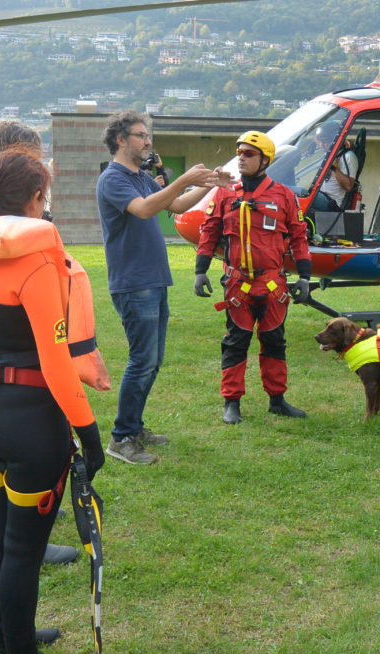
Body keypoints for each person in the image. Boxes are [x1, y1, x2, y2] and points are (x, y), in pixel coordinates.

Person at [0, 147, 104, 654]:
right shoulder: (37, 262)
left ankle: (7, 637)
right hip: (33, 419)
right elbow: (57, 362)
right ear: (36, 198)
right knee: (20, 548)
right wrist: (88, 430)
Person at [0, 121, 80, 567]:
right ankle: (14, 530)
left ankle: (21, 509)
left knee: (7, 445)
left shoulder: (16, 206)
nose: (40, 165)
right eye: (31, 157)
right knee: (9, 441)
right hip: (6, 355)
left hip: (5, 363)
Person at [97, 111, 222, 464]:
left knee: (152, 362)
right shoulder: (113, 179)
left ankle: (133, 427)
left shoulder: (140, 176)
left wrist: (212, 182)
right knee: (142, 361)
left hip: (153, 280)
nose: (147, 141)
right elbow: (144, 210)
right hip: (133, 284)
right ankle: (121, 439)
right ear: (121, 140)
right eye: (139, 135)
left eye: (146, 135)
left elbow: (177, 204)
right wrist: (182, 178)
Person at [194, 130, 312, 424]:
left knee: (274, 341)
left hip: (272, 284)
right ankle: (231, 402)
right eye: (239, 152)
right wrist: (200, 271)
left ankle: (277, 399)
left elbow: (299, 238)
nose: (241, 158)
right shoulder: (224, 193)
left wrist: (305, 277)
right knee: (235, 341)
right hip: (238, 283)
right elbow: (209, 233)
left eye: (248, 154)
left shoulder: (284, 196)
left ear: (265, 160)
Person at [310, 120, 359, 212]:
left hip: (332, 202)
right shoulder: (328, 154)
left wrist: (334, 168)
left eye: (324, 142)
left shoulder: (348, 156)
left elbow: (349, 187)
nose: (321, 145)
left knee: (298, 194)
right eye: (319, 142)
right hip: (321, 194)